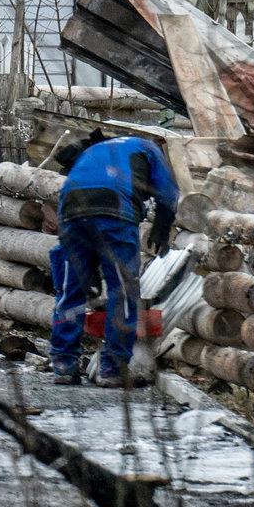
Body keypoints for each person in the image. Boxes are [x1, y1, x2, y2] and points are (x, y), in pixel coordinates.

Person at [48, 128, 180, 385]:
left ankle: (64, 363)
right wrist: (161, 229)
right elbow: (168, 194)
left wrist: (89, 274)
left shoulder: (93, 151)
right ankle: (113, 367)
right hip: (115, 211)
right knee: (122, 291)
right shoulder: (148, 147)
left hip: (71, 211)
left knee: (71, 291)